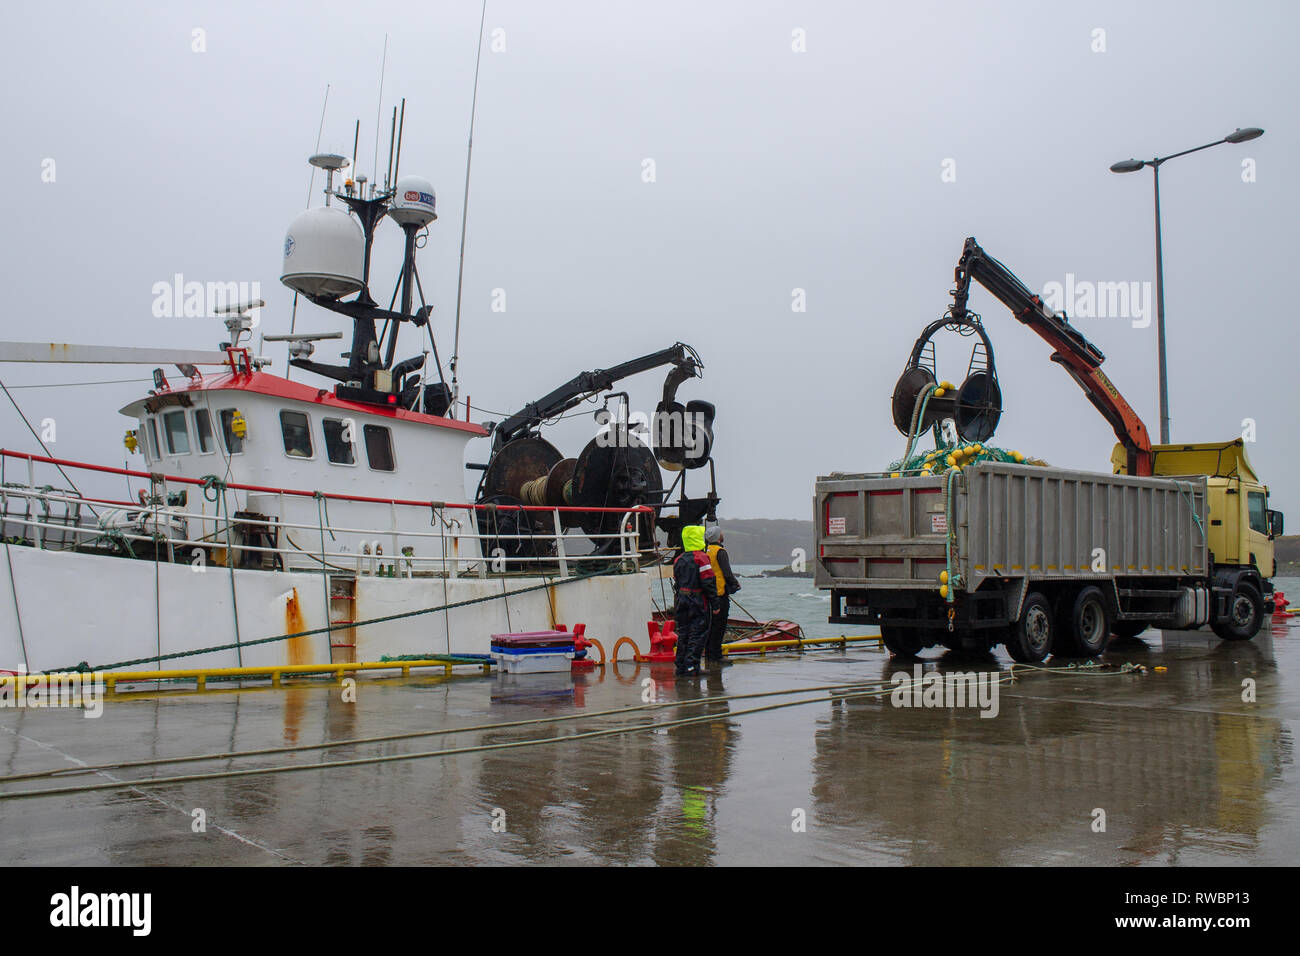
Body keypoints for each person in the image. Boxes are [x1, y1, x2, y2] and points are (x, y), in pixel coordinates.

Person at [673, 524, 717, 676]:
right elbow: (708, 582)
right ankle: (693, 666)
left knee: (683, 633)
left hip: (682, 598)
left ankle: (680, 666)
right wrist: (715, 603)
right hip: (697, 599)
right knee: (697, 633)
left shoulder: (678, 559)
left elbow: (676, 582)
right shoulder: (702, 558)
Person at [704, 525, 741, 665]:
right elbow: (726, 572)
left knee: (710, 625)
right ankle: (716, 655)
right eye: (721, 533)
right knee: (719, 626)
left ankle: (708, 654)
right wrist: (735, 584)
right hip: (720, 593)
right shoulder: (720, 552)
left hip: (708, 593)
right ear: (718, 536)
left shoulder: (706, 551)